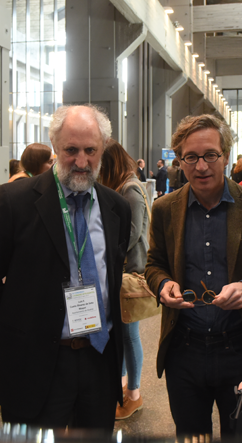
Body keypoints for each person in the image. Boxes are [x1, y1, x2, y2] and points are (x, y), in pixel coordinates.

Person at [0, 104, 131, 431]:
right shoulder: (16, 201)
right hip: (38, 360)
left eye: (91, 150)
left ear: (103, 150)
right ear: (55, 147)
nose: (82, 161)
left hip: (100, 359)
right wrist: (23, 321)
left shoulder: (117, 208)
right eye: (71, 150)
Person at [145, 114, 242, 438]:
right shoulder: (165, 209)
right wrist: (163, 284)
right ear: (180, 160)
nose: (201, 167)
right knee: (190, 434)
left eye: (210, 155)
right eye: (191, 157)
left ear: (225, 155)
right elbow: (154, 264)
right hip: (184, 352)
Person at [98, 138, 150, 420]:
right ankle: (121, 389)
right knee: (118, 333)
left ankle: (134, 394)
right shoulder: (122, 186)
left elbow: (131, 234)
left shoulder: (130, 188)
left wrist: (100, 247)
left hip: (130, 271)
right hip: (119, 270)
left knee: (129, 335)